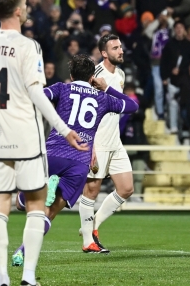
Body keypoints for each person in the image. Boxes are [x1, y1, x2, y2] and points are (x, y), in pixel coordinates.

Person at [0, 0, 87, 285]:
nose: (27, 6)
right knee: (36, 204)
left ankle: (1, 279)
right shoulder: (28, 46)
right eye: (24, 3)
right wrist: (64, 129)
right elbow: (36, 92)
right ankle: (29, 277)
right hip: (25, 137)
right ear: (19, 10)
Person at [11, 54, 139, 265]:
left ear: (71, 75)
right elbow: (132, 106)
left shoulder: (62, 88)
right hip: (79, 162)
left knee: (21, 204)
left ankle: (41, 188)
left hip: (52, 154)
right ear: (92, 77)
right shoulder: (103, 98)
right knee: (49, 213)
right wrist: (106, 88)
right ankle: (21, 251)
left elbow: (35, 97)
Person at [79, 34, 135, 253]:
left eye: (120, 46)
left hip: (115, 142)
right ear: (104, 53)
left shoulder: (119, 75)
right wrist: (89, 143)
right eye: (115, 48)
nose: (120, 50)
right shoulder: (95, 76)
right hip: (98, 141)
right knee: (91, 191)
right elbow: (87, 111)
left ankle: (93, 227)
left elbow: (122, 105)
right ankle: (88, 240)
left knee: (126, 188)